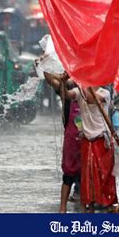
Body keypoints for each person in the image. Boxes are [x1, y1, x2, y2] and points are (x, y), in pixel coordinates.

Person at [65, 84, 117, 213]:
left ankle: (107, 204)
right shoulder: (79, 90)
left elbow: (90, 99)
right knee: (88, 176)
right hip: (87, 140)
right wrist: (61, 81)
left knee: (104, 175)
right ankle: (89, 206)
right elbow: (66, 94)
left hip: (102, 139)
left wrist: (80, 80)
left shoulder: (104, 93)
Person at [42, 70, 81, 213]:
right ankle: (62, 207)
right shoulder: (68, 90)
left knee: (89, 172)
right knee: (69, 172)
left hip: (91, 137)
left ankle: (87, 202)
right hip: (72, 136)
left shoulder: (94, 91)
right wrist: (45, 66)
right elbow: (50, 79)